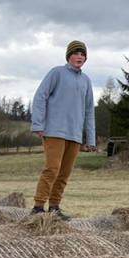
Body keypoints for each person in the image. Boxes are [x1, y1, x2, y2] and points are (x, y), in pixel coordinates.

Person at [30, 40, 97, 219]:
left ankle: (54, 208)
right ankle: (38, 207)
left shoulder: (86, 81)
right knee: (52, 169)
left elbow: (89, 111)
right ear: (68, 56)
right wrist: (38, 124)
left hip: (74, 135)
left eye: (83, 54)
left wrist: (91, 139)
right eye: (76, 53)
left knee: (64, 173)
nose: (79, 57)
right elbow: (40, 96)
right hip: (54, 131)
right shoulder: (57, 73)